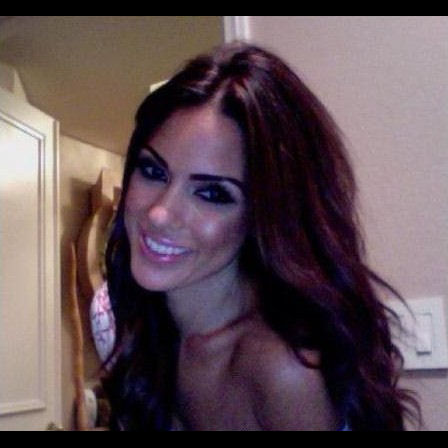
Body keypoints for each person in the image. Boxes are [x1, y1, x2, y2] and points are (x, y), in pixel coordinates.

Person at [100, 41, 421, 431]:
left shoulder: (282, 369)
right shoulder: (147, 323)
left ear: (265, 214)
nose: (160, 213)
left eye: (212, 194)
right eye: (153, 171)